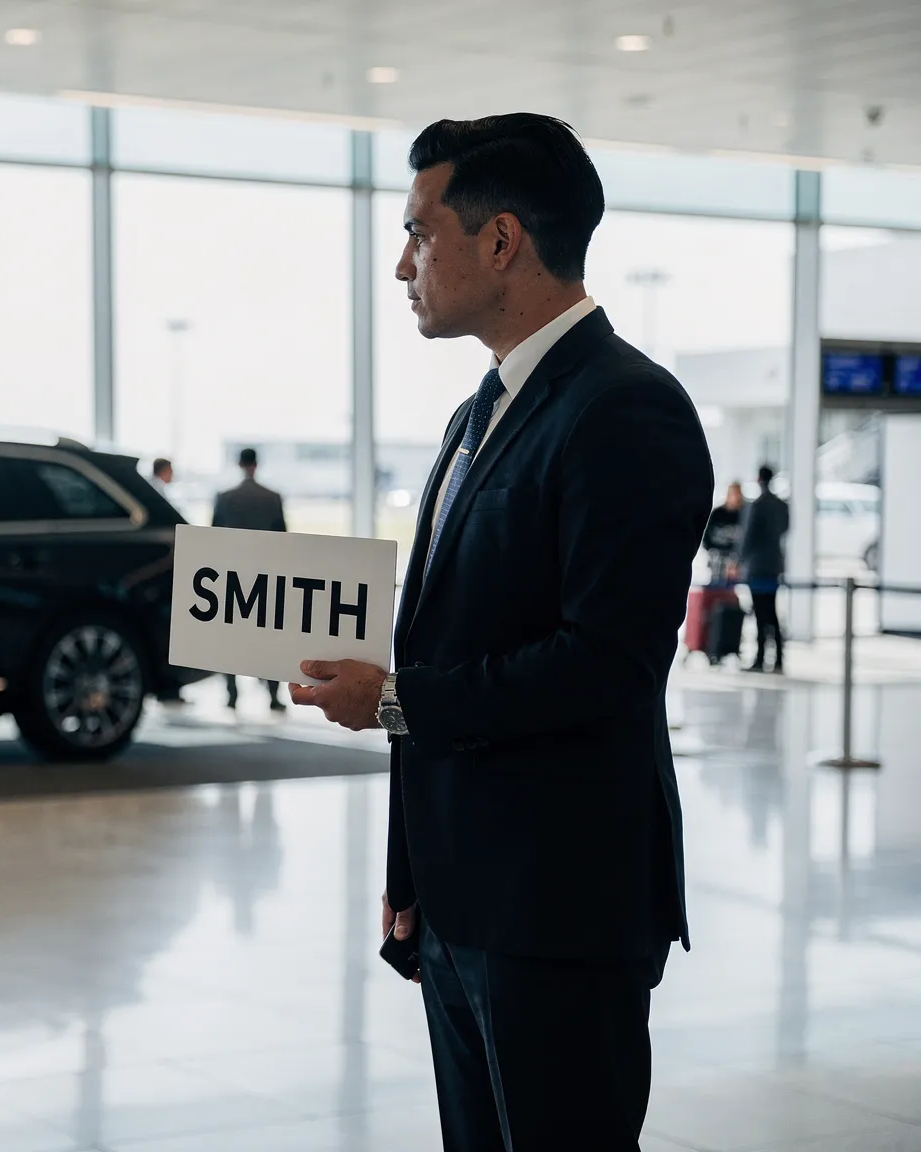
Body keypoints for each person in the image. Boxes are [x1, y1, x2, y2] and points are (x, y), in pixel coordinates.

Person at [291, 115, 711, 1151]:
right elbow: (447, 637)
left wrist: (391, 699)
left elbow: (603, 664)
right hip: (462, 901)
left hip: (558, 908)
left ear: (498, 240)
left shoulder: (625, 409)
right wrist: (412, 877)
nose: (401, 265)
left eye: (418, 235)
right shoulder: (479, 411)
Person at [212, 447, 289, 712]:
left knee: (230, 637)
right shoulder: (272, 498)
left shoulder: (224, 498)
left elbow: (214, 539)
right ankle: (273, 696)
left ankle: (232, 695)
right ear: (256, 465)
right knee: (268, 637)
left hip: (232, 576)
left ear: (239, 464)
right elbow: (283, 540)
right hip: (265, 576)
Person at [738, 464, 791, 673]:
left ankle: (761, 658)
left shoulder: (757, 505)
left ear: (759, 478)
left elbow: (749, 536)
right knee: (773, 612)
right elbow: (786, 529)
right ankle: (778, 658)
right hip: (775, 563)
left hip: (758, 566)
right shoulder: (782, 505)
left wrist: (740, 559)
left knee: (761, 613)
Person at [702, 481, 745, 585]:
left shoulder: (743, 515)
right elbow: (706, 539)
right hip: (717, 559)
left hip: (735, 561)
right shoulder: (717, 513)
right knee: (716, 588)